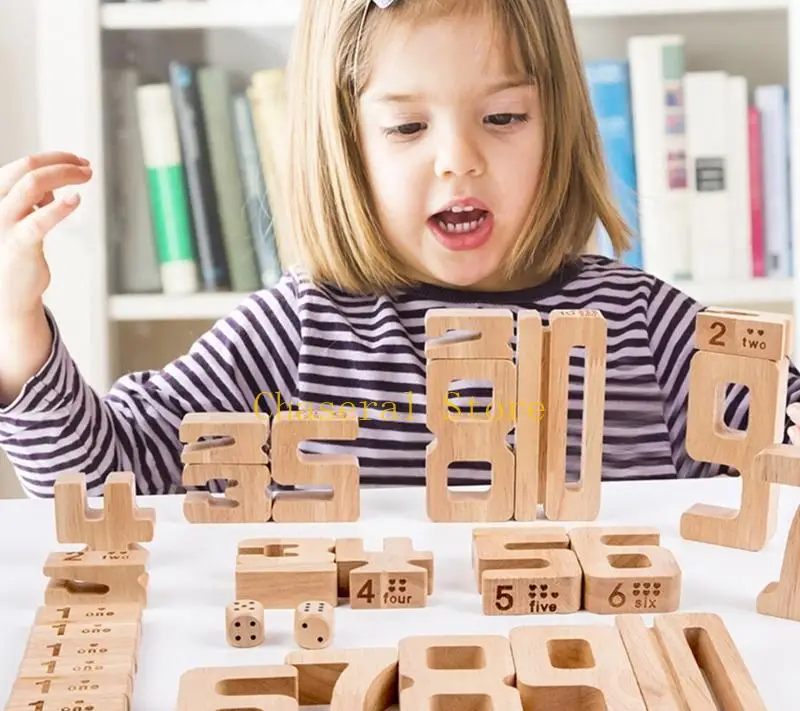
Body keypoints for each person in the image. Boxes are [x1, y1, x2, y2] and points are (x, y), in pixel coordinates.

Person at [0, 0, 798, 499]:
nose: (459, 160)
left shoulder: (646, 327)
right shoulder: (294, 333)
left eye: (504, 117)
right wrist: (16, 326)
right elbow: (99, 485)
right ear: (347, 144)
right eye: (407, 127)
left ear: (558, 123)